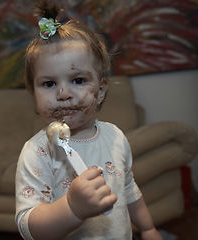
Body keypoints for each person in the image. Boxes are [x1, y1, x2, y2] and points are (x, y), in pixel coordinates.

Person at [15, 1, 163, 239]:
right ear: (34, 94)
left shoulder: (115, 136)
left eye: (78, 80)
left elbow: (128, 188)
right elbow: (28, 226)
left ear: (101, 89)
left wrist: (147, 228)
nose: (63, 94)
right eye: (49, 84)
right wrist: (72, 208)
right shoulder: (38, 151)